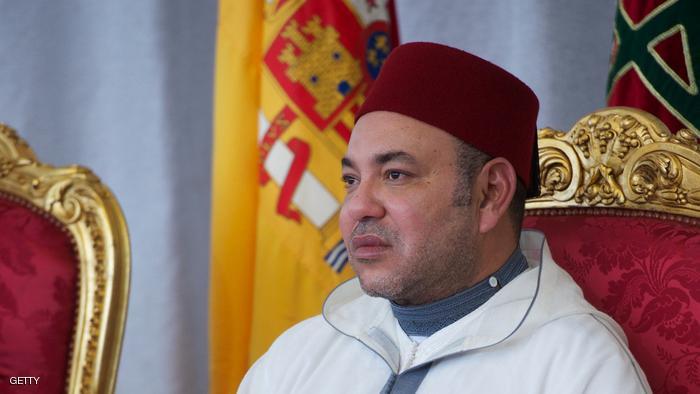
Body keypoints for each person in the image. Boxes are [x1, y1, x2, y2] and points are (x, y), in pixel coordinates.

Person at [238, 42, 650, 393]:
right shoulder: (300, 353)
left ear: (490, 194)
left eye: (395, 175)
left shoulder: (577, 369)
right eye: (351, 179)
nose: (357, 207)